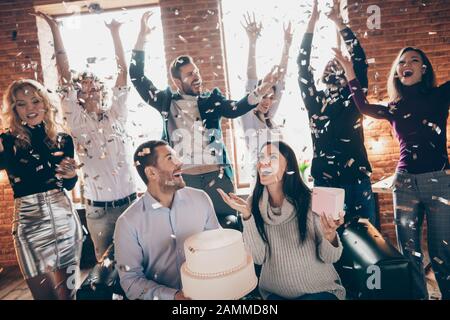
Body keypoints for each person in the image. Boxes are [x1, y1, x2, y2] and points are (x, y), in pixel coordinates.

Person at [130, 11, 280, 228]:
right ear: (177, 81)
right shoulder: (164, 101)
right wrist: (142, 37)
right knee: (193, 230)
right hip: (185, 179)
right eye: (190, 74)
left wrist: (259, 91)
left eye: (197, 71)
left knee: (231, 226)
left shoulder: (212, 100)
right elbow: (137, 76)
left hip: (217, 176)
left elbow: (236, 108)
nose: (197, 76)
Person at [334, 44, 450, 300]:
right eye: (401, 62)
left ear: (424, 67)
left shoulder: (441, 95)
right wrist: (349, 70)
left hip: (440, 181)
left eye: (414, 60)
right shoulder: (393, 107)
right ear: (397, 72)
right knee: (410, 254)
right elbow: (363, 107)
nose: (406, 64)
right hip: (405, 184)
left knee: (442, 252)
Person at [36, 12, 137, 261]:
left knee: (138, 263)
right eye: (83, 86)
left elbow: (123, 73)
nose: (89, 88)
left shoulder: (117, 115)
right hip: (98, 212)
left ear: (102, 89)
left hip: (131, 205)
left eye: (94, 84)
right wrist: (55, 30)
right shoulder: (76, 121)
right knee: (105, 271)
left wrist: (115, 34)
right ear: (76, 93)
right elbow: (64, 74)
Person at [218, 140, 346, 300]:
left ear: (288, 167)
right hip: (276, 295)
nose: (263, 162)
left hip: (318, 291)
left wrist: (329, 236)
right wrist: (247, 215)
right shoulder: (253, 205)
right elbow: (257, 258)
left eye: (272, 157)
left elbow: (331, 257)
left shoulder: (311, 201)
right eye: (261, 157)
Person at [0, 79, 82, 300]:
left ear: (45, 103)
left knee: (68, 296)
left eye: (35, 101)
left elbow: (68, 185)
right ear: (14, 110)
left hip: (64, 220)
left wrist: (71, 175)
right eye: (21, 104)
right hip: (28, 224)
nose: (30, 109)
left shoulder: (63, 140)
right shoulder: (6, 141)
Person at [298, 0, 376, 226]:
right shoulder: (315, 101)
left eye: (339, 63)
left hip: (358, 179)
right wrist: (312, 23)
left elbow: (360, 59)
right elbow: (302, 66)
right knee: (328, 240)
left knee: (366, 238)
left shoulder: (355, 97)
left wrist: (339, 22)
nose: (334, 65)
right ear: (322, 74)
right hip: (324, 181)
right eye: (330, 64)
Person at [114, 140, 220, 300]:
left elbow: (218, 247)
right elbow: (131, 282)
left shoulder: (201, 199)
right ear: (151, 173)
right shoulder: (128, 223)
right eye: (170, 158)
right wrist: (174, 296)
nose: (180, 162)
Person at [241, 13, 293, 167]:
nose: (268, 101)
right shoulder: (248, 117)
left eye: (271, 97)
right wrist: (252, 42)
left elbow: (281, 78)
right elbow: (251, 78)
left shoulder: (270, 117)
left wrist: (287, 45)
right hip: (260, 175)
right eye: (264, 96)